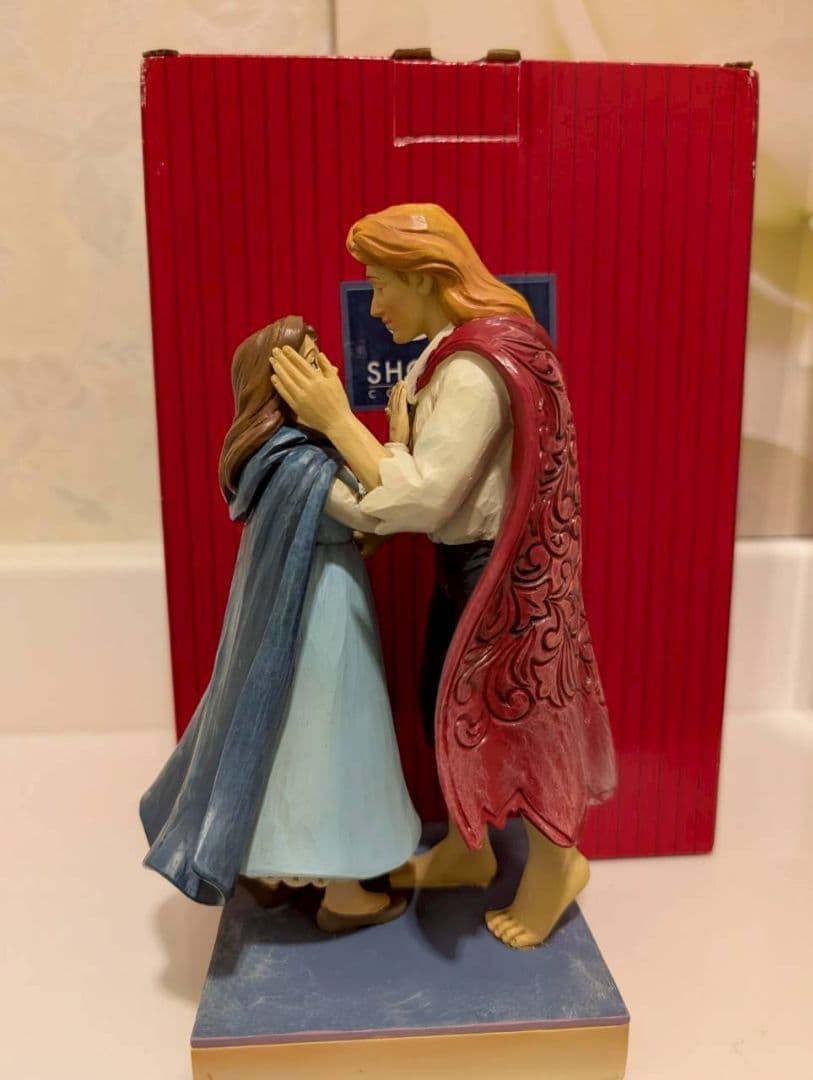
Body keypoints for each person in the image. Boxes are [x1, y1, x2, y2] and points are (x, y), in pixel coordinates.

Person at [270, 204, 617, 949]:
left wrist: (336, 420)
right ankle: (471, 844)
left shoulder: (472, 368)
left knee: (520, 718)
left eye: (379, 285)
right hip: (462, 568)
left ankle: (556, 866)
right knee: (448, 706)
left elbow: (426, 497)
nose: (374, 306)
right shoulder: (443, 355)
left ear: (425, 278)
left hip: (500, 578)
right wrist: (391, 445)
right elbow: (421, 473)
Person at [140, 315, 420, 932]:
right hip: (325, 622)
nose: (333, 369)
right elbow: (377, 511)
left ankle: (267, 869)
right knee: (334, 743)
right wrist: (396, 446)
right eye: (314, 362)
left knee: (287, 742)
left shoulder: (273, 460)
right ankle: (343, 892)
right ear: (283, 385)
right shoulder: (301, 466)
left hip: (302, 616)